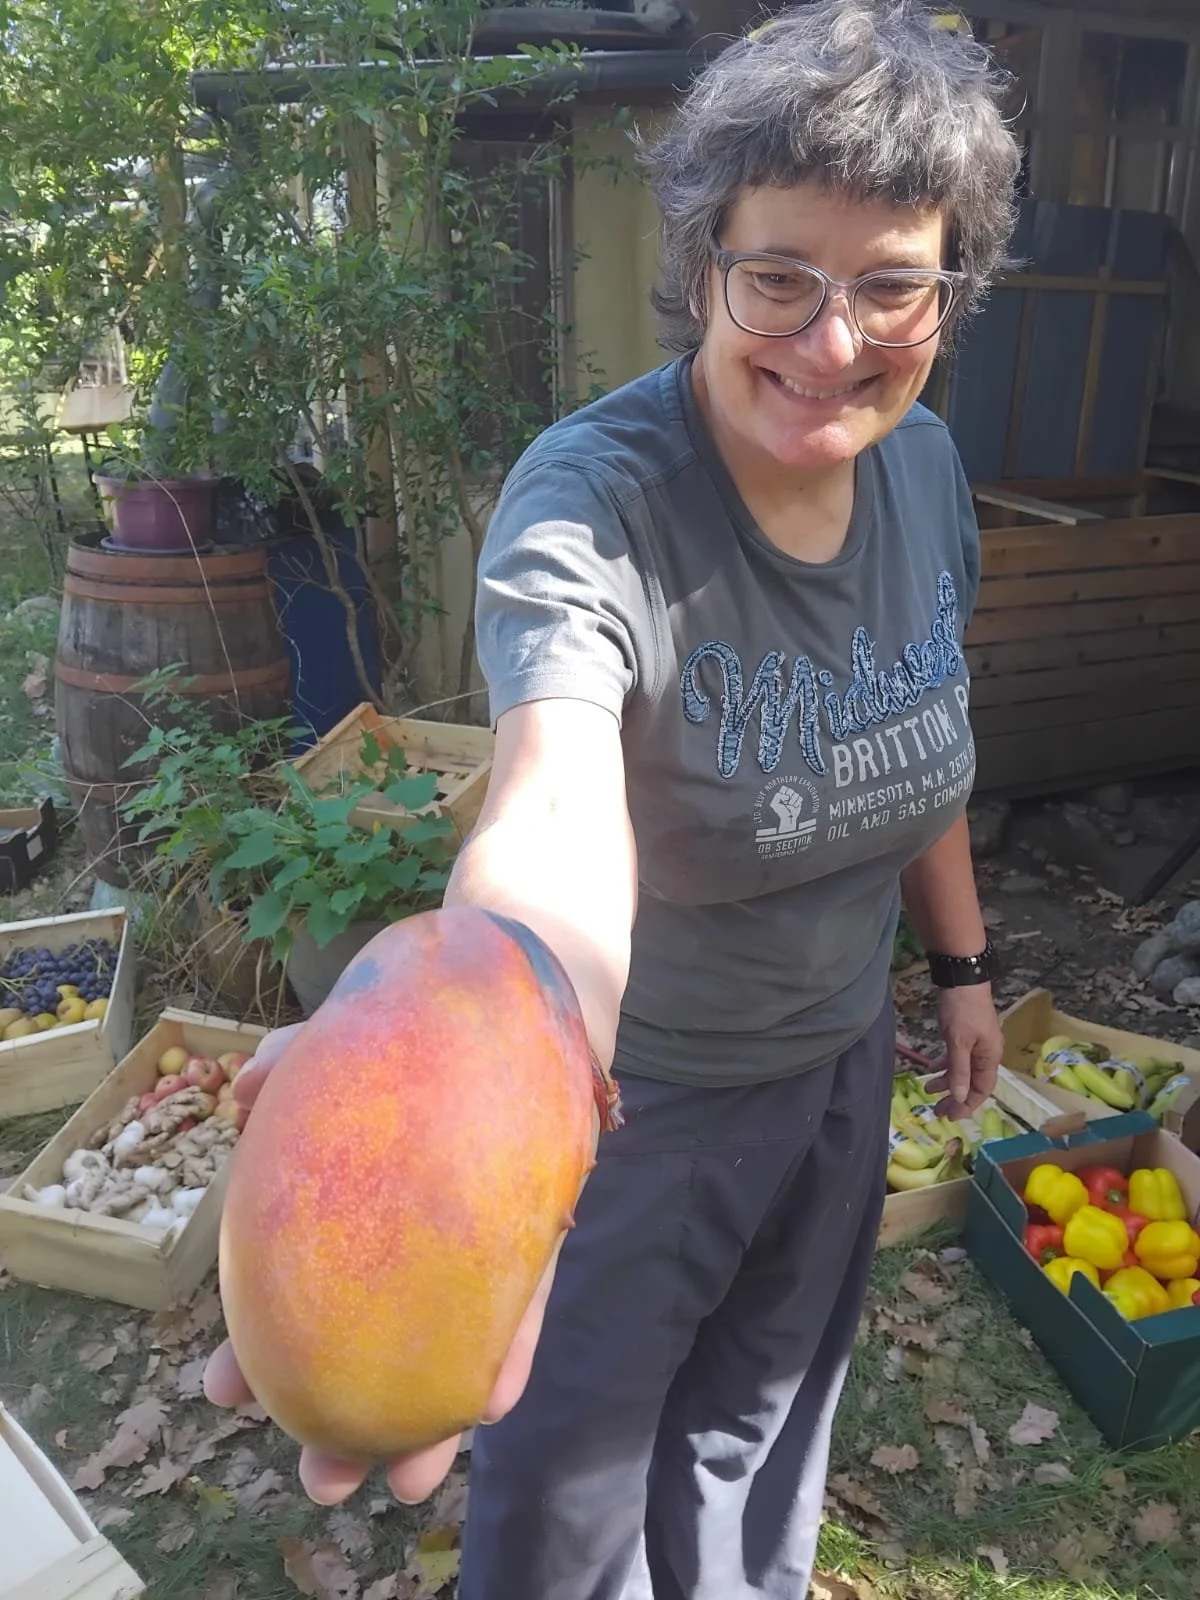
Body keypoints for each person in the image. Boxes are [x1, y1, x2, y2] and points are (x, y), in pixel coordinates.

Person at [205, 3, 1022, 1594]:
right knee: (567, 1508)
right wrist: (472, 1053)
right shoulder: (594, 508)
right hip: (638, 1108)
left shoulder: (925, 470)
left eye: (890, 285)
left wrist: (964, 967)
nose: (832, 341)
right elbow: (554, 812)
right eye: (778, 274)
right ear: (706, 262)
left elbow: (919, 723)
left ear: (949, 293)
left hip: (839, 1067)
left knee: (759, 1435)